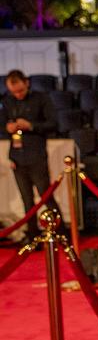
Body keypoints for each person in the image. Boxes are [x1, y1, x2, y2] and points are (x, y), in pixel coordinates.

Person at [0, 69, 59, 240]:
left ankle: (61, 233)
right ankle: (33, 236)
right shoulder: (7, 101)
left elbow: (53, 124)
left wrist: (31, 125)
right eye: (14, 92)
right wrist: (7, 128)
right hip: (17, 157)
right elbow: (2, 125)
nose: (18, 95)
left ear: (26, 83)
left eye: (20, 90)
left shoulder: (41, 99)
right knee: (27, 200)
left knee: (46, 197)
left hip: (36, 155)